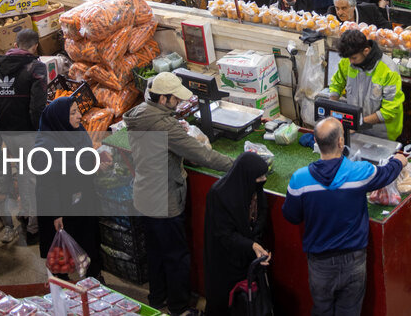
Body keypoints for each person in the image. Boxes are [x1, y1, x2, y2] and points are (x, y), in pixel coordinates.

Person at [124, 72, 234, 315]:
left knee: (155, 253)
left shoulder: (140, 113)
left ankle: (157, 298)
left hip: (143, 196)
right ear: (163, 99)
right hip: (165, 200)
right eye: (175, 99)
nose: (178, 103)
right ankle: (179, 307)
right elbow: (202, 155)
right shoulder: (164, 126)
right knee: (176, 256)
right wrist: (236, 164)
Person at [283, 118, 405, 316]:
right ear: (341, 142)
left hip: (320, 263)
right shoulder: (360, 172)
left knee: (321, 310)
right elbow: (386, 173)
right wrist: (398, 161)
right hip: (353, 261)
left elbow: (291, 216)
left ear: (316, 142)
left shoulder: (299, 179)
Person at [35, 97, 102, 279]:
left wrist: (98, 160)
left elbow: (85, 158)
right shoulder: (45, 147)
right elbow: (47, 185)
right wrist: (56, 214)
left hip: (83, 198)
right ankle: (63, 286)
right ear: (59, 118)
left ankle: (94, 277)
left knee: (89, 240)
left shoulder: (78, 132)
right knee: (62, 251)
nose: (79, 116)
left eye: (78, 110)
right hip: (61, 205)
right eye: (73, 113)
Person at [0, 29, 48, 238]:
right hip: (26, 130)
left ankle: (25, 214)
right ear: (35, 46)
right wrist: (39, 129)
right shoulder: (36, 67)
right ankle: (33, 226)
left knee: (22, 173)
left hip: (6, 129)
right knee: (30, 177)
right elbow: (37, 105)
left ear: (16, 44)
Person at [204, 152, 271, 316]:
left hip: (246, 257)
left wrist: (257, 246)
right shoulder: (219, 194)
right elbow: (224, 234)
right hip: (224, 262)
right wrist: (252, 245)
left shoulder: (253, 190)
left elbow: (261, 215)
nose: (263, 179)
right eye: (259, 177)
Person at [328, 29, 404, 140]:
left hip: (382, 132)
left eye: (354, 58)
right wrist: (331, 108)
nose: (350, 62)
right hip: (355, 127)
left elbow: (390, 110)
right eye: (348, 58)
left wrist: (358, 123)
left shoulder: (388, 70)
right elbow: (337, 83)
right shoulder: (348, 61)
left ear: (366, 51)